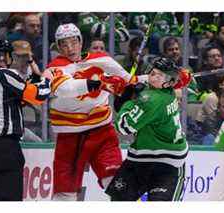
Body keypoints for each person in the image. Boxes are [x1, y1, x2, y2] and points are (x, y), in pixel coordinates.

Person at [46, 23, 148, 201]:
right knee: (65, 195)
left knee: (118, 183)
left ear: (80, 41)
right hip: (69, 138)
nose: (70, 48)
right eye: (64, 44)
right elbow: (65, 89)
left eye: (73, 42)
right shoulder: (54, 68)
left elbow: (131, 80)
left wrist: (169, 78)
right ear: (58, 46)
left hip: (102, 133)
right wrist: (99, 83)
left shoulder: (102, 60)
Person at [105, 58, 191, 201]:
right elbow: (179, 78)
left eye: (159, 75)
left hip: (166, 163)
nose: (153, 76)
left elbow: (124, 127)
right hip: (143, 157)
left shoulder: (151, 99)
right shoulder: (166, 90)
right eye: (153, 72)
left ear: (169, 82)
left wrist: (127, 102)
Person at [0, 38, 51, 201]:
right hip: (3, 149)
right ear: (2, 56)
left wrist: (34, 77)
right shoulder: (5, 74)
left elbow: (19, 98)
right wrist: (47, 79)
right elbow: (38, 96)